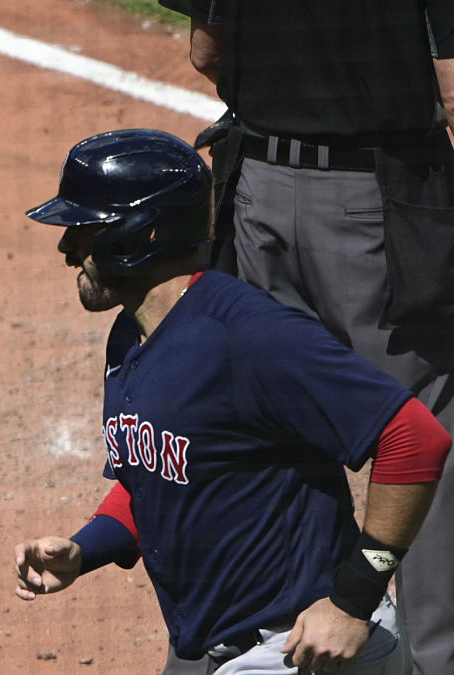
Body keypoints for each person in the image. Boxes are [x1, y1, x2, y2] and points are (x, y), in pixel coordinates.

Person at [12, 129, 450, 674]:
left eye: (84, 229)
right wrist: (84, 551)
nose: (67, 248)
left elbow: (415, 437)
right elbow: (155, 478)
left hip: (303, 645)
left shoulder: (250, 334)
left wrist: (353, 600)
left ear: (139, 234)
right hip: (225, 649)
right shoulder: (131, 337)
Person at [156, 5, 454, 671]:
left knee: (255, 418)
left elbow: (206, 51)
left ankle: (233, 648)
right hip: (384, 204)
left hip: (256, 191)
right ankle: (435, 658)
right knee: (422, 425)